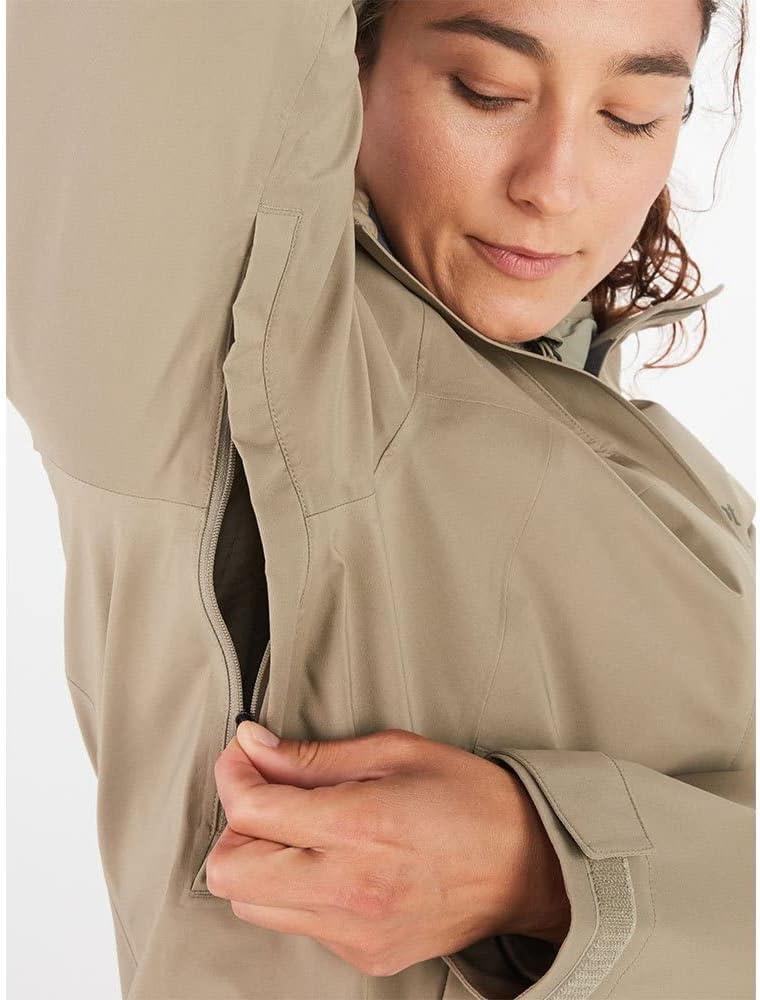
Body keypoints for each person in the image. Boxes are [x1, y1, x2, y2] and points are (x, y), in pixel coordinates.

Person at [6, 1, 753, 998]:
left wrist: (546, 869)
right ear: (350, 58)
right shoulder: (227, 361)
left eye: (631, 114)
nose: (554, 185)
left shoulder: (687, 486)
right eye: (485, 92)